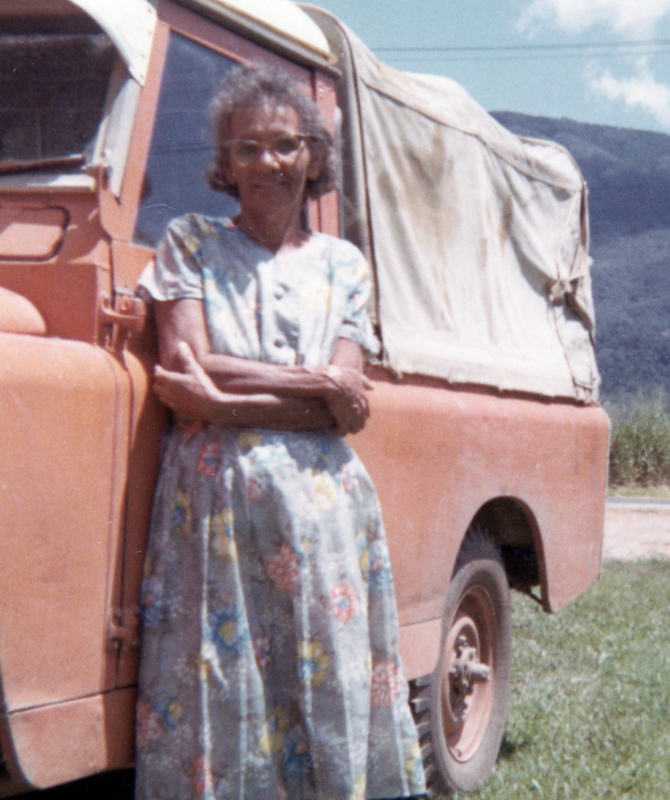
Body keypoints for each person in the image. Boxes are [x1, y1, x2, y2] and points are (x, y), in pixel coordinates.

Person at [134, 64, 427, 800]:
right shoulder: (189, 241)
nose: (267, 162)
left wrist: (226, 403)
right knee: (219, 681)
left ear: (315, 156)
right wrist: (319, 384)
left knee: (321, 672)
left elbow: (340, 398)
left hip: (323, 513)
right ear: (223, 165)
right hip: (218, 508)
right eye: (246, 148)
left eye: (285, 145)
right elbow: (187, 362)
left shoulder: (344, 265)